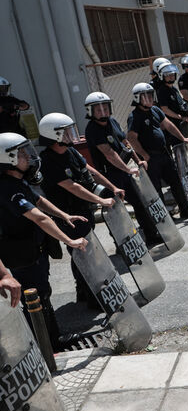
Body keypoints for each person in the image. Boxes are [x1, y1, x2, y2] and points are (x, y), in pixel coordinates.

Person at [0, 132, 88, 350]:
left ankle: (53, 339)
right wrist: (70, 240)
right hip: (23, 255)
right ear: (8, 158)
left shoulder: (17, 181)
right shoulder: (6, 188)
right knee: (34, 300)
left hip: (34, 250)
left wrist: (64, 215)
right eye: (21, 154)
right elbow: (38, 216)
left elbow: (39, 200)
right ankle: (44, 346)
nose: (28, 157)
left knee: (43, 294)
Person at [38, 113, 122, 308]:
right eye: (65, 131)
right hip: (69, 216)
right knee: (83, 255)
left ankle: (84, 292)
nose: (70, 134)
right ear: (54, 135)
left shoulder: (71, 151)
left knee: (86, 253)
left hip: (84, 211)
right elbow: (73, 187)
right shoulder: (48, 160)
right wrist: (101, 199)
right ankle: (92, 297)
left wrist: (112, 187)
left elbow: (90, 171)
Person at [83, 91, 158, 245]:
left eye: (105, 108)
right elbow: (109, 154)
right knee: (116, 211)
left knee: (139, 202)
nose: (103, 112)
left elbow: (126, 143)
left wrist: (138, 161)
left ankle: (151, 235)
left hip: (123, 172)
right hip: (109, 175)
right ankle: (122, 243)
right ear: (91, 112)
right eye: (98, 109)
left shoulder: (113, 121)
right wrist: (128, 169)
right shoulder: (92, 129)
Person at [125, 82, 188, 220]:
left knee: (176, 182)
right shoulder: (134, 116)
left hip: (164, 153)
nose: (149, 99)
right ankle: (165, 218)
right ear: (137, 99)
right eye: (145, 97)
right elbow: (132, 138)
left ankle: (185, 210)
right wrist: (144, 155)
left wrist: (182, 138)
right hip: (150, 158)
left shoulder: (156, 110)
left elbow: (168, 125)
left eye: (150, 96)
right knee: (157, 189)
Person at [155, 63, 188, 150]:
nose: (171, 77)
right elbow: (165, 109)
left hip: (180, 124)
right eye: (168, 75)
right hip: (171, 126)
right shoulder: (162, 91)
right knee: (179, 149)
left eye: (172, 74)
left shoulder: (174, 89)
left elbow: (182, 103)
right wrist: (180, 117)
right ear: (162, 76)